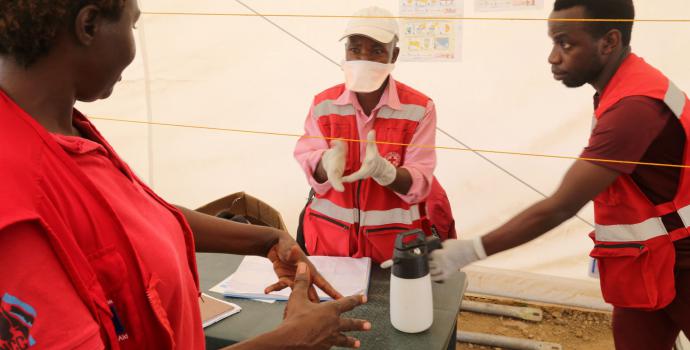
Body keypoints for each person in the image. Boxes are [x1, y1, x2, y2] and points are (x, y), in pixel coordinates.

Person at [0, 0, 370, 349]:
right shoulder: (16, 208)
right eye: (132, 23)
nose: (134, 50)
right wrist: (290, 339)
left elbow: (124, 221)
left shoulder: (61, 131)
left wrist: (265, 240)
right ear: (89, 25)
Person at [429, 0, 690, 349]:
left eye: (566, 43)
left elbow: (559, 207)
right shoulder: (625, 86)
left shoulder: (634, 106)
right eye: (553, 42)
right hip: (646, 262)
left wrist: (469, 250)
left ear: (609, 41)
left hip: (681, 265)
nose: (553, 57)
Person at [294, 6, 456, 265]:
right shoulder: (323, 104)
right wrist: (324, 164)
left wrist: (386, 172)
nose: (363, 58)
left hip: (391, 252)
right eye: (355, 48)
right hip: (328, 247)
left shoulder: (418, 108)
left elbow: (421, 181)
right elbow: (309, 165)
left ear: (395, 54)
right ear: (345, 51)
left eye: (377, 51)